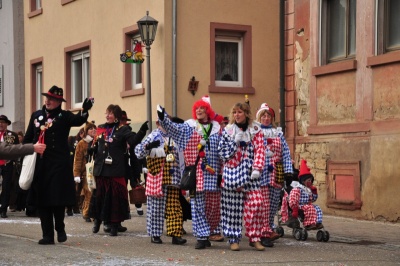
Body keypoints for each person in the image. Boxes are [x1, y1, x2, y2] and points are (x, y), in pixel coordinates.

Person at [23, 85, 93, 245]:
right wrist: (31, 148)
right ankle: (47, 235)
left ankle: (60, 228)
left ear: (59, 102)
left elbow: (79, 119)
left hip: (59, 165)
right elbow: (28, 138)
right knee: (42, 200)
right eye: (47, 98)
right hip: (41, 165)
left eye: (52, 99)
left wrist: (84, 110)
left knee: (57, 199)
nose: (48, 101)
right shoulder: (36, 115)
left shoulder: (64, 116)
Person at [157, 95, 222, 249]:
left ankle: (209, 231)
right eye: (196, 108)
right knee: (197, 205)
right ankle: (201, 236)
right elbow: (174, 128)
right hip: (196, 173)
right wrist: (163, 118)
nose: (199, 110)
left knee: (213, 207)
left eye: (202, 108)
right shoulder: (189, 127)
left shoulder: (218, 128)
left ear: (208, 111)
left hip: (213, 172)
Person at [90, 104, 148, 237]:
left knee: (115, 199)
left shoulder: (122, 129)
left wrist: (141, 132)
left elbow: (132, 141)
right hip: (101, 169)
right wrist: (91, 149)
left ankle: (115, 226)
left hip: (115, 170)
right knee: (100, 198)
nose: (107, 116)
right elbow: (95, 144)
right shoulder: (101, 128)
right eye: (106, 113)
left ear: (116, 116)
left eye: (110, 113)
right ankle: (98, 221)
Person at [218, 102, 266, 251]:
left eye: (239, 112)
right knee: (232, 208)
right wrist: (234, 143)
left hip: (251, 175)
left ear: (246, 113)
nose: (236, 115)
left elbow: (260, 150)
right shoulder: (228, 131)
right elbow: (222, 153)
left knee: (256, 203)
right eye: (234, 113)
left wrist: (257, 167)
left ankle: (255, 237)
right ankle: (233, 239)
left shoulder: (256, 130)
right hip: (232, 175)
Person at [135, 117, 187, 245]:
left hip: (174, 177)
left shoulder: (176, 137)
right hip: (158, 176)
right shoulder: (154, 135)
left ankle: (175, 234)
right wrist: (148, 147)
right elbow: (138, 152)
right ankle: (155, 234)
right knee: (156, 208)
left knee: (174, 207)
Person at [255, 103, 293, 247]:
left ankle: (268, 228)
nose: (266, 118)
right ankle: (263, 233)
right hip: (260, 172)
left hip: (276, 172)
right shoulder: (255, 132)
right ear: (259, 117)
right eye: (263, 116)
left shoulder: (278, 134)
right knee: (263, 204)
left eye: (268, 116)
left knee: (272, 205)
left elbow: (285, 153)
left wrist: (288, 171)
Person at [288, 159, 323, 230]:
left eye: (311, 180)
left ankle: (318, 222)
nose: (310, 182)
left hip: (307, 204)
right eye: (308, 180)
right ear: (303, 181)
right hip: (299, 206)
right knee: (310, 208)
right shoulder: (297, 189)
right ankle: (308, 224)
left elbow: (312, 199)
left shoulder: (308, 189)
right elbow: (293, 200)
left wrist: (314, 192)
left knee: (317, 208)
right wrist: (295, 209)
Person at [73, 122, 97, 222]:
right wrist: (76, 174)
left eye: (94, 129)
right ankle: (86, 213)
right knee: (89, 192)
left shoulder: (97, 141)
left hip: (97, 171)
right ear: (86, 131)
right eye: (90, 129)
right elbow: (77, 159)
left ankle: (95, 213)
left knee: (96, 193)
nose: (93, 130)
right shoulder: (82, 143)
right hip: (86, 172)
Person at [0, 115, 20, 218]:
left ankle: (3, 209)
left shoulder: (12, 135)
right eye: (0, 122)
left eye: (3, 122)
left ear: (7, 124)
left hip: (7, 164)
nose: (1, 124)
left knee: (6, 187)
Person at [67, 128, 85, 216]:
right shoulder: (72, 139)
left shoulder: (86, 142)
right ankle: (70, 208)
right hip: (71, 168)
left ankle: (77, 207)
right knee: (73, 189)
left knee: (80, 189)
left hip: (83, 169)